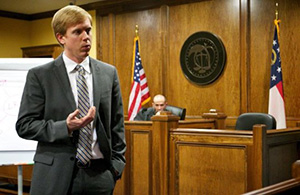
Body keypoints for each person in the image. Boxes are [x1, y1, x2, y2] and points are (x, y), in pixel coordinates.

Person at [15, 5, 126, 195]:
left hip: (99, 176)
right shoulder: (40, 76)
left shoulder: (108, 73)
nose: (86, 37)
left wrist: (115, 168)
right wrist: (64, 127)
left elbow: (117, 125)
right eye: (77, 32)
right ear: (61, 38)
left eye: (88, 30)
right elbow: (25, 125)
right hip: (54, 177)